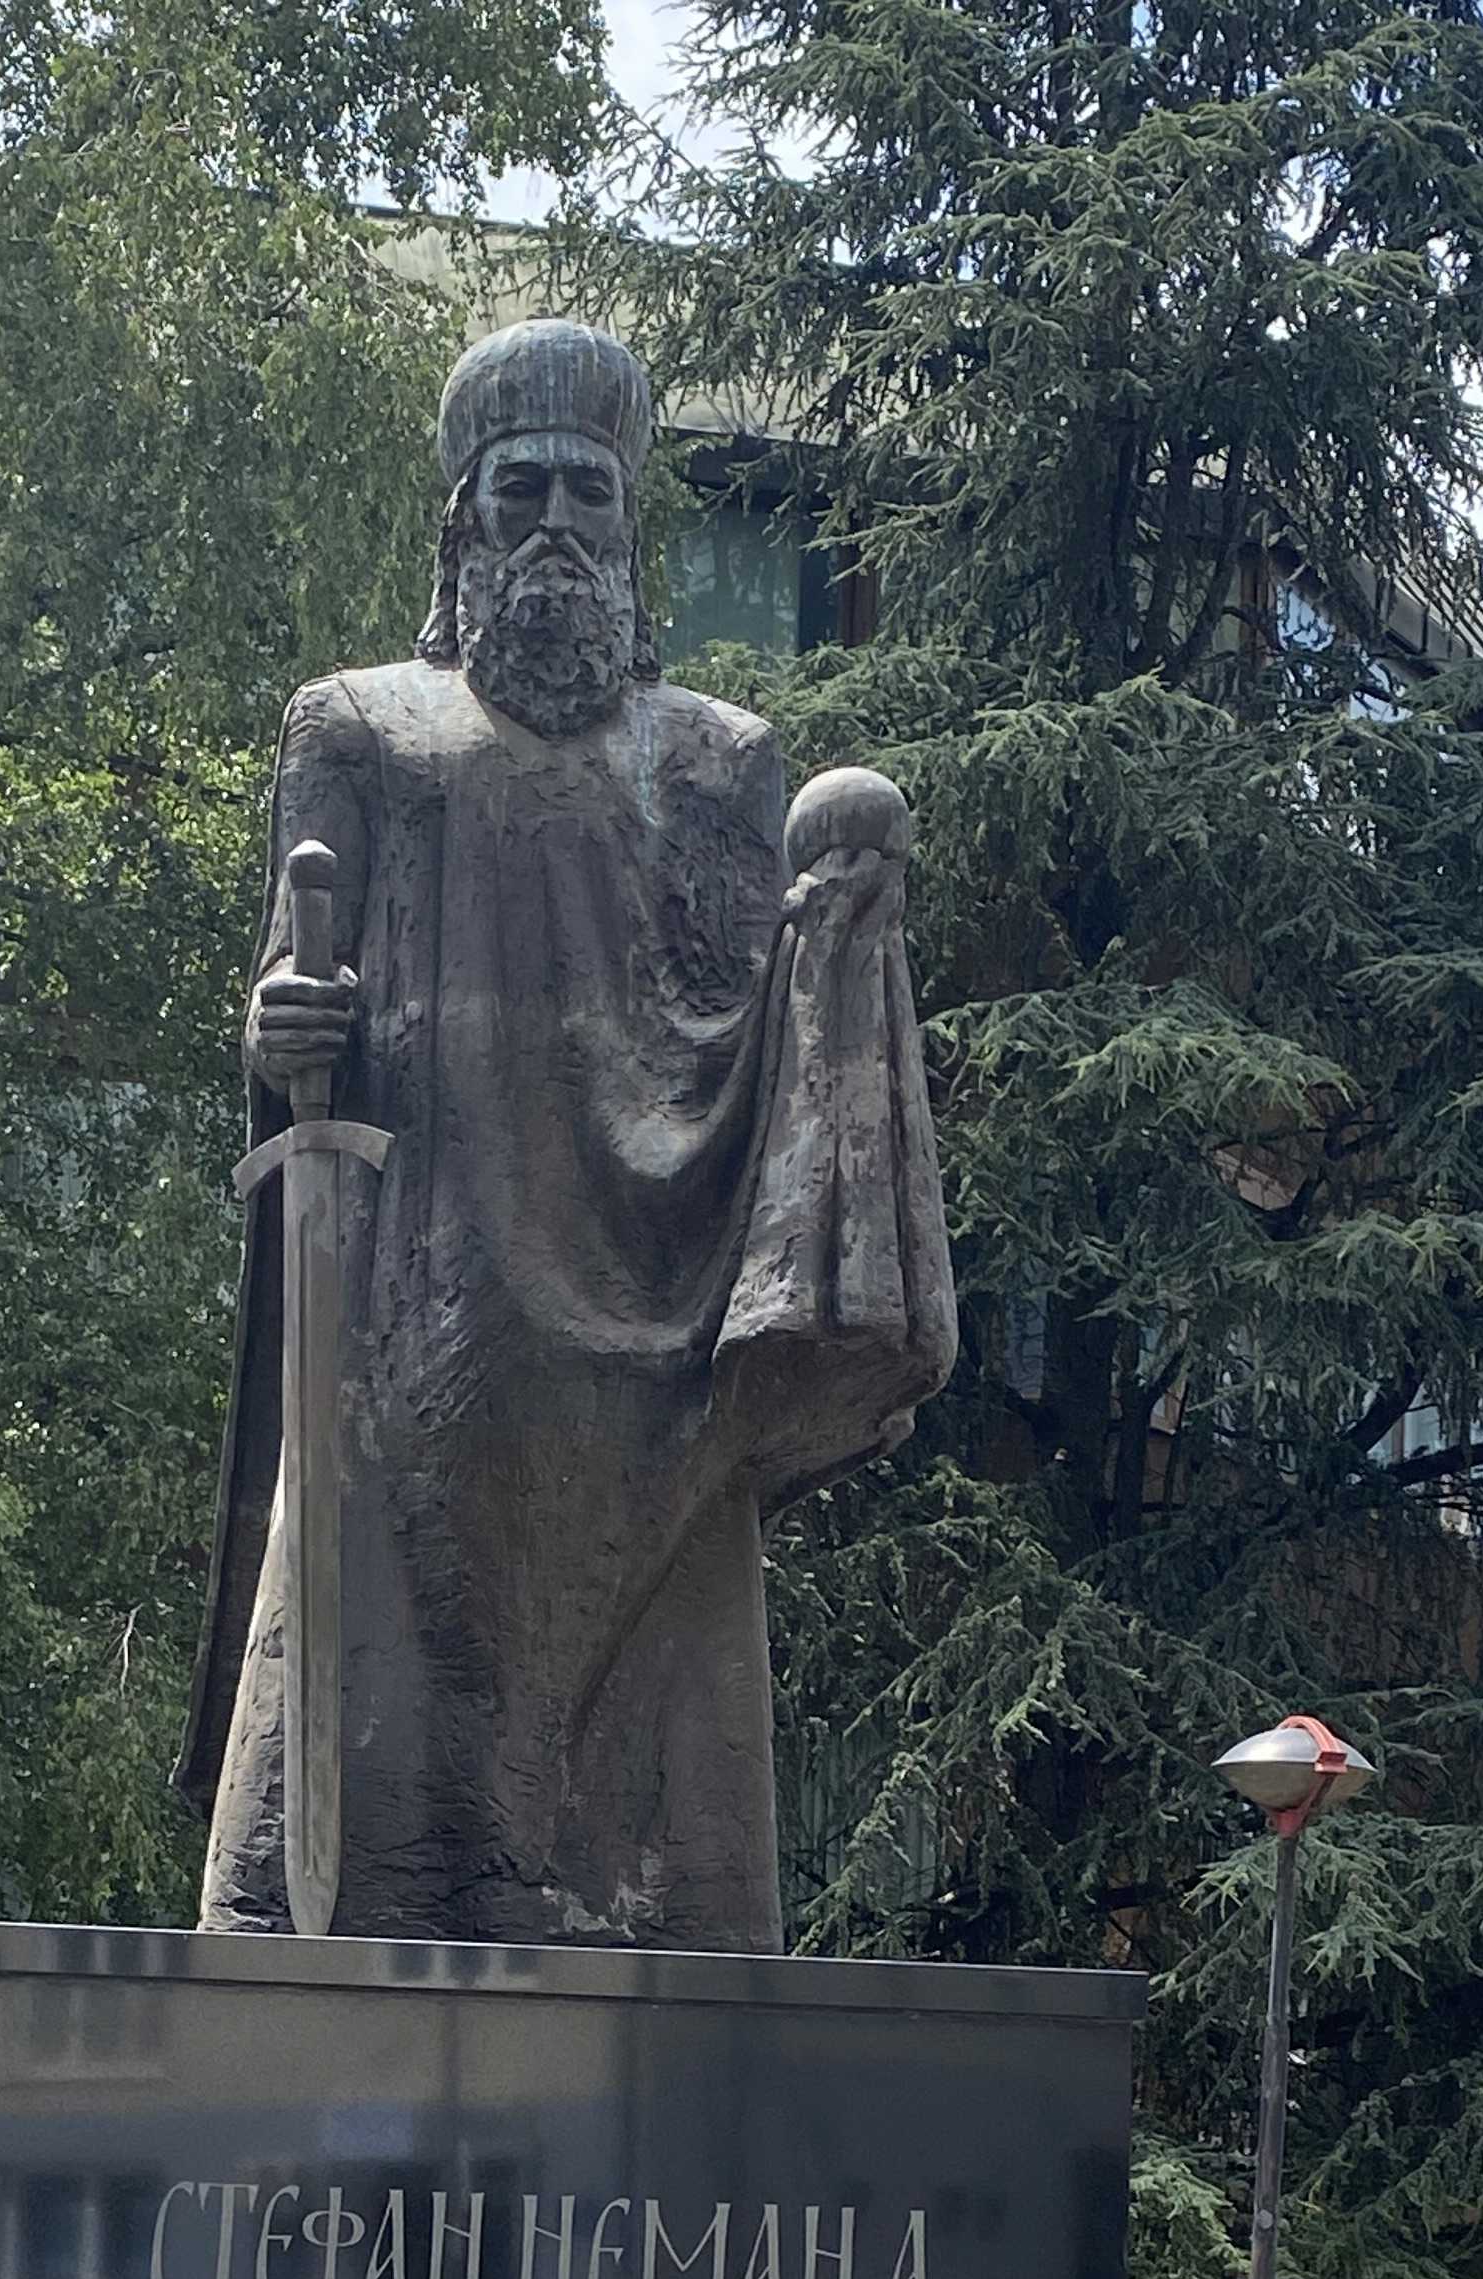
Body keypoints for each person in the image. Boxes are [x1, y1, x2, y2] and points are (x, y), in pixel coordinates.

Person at [180, 314, 959, 1952]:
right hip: (417, 1320)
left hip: (652, 1335)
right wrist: (277, 1033)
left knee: (668, 1821)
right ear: (460, 521)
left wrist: (840, 960)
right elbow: (286, 997)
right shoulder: (357, 730)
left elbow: (750, 1048)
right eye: (517, 489)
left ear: (627, 528)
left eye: (585, 495)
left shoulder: (719, 761)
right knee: (372, 1708)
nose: (551, 526)